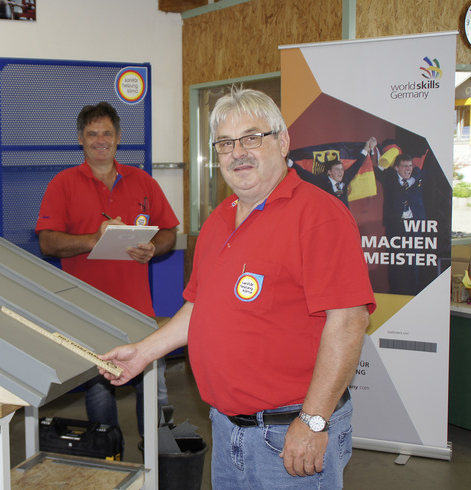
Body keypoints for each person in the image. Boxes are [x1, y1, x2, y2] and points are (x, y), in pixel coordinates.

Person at [99, 88, 375, 488]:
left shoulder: (319, 216)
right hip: (227, 428)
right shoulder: (219, 220)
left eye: (251, 138)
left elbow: (349, 322)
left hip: (288, 430)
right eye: (225, 144)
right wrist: (142, 353)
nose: (237, 152)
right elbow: (199, 308)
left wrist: (313, 420)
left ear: (282, 142)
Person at [35, 101, 179, 442]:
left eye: (107, 134)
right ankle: (108, 453)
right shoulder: (63, 184)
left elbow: (169, 231)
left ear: (118, 139)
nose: (100, 140)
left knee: (152, 389)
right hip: (88, 313)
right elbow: (47, 244)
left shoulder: (142, 181)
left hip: (138, 312)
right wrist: (92, 239)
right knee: (99, 391)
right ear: (81, 140)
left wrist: (154, 248)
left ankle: (157, 457)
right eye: (92, 134)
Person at [374, 150, 427, 294]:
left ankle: (413, 291)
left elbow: (419, 172)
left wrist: (414, 175)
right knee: (394, 259)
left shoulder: (416, 176)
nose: (408, 169)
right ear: (396, 168)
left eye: (410, 166)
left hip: (414, 225)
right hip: (395, 225)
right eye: (404, 166)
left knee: (413, 260)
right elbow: (376, 171)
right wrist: (374, 151)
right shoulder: (389, 179)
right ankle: (395, 290)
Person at [291, 137, 377, 208]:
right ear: (329, 172)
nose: (341, 172)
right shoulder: (322, 181)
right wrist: (290, 163)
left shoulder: (345, 179)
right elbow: (304, 174)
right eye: (337, 169)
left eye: (342, 169)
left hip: (345, 220)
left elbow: (357, 164)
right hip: (329, 220)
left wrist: (366, 147)